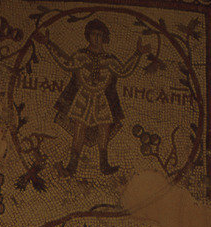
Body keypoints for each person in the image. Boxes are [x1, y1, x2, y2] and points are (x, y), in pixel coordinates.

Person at [33, 19, 149, 176]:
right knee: (79, 128)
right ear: (88, 36)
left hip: (102, 99)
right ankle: (71, 167)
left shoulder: (109, 59)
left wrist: (138, 53)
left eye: (100, 35)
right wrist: (48, 43)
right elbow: (66, 63)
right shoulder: (82, 56)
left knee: (104, 127)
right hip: (83, 97)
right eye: (94, 34)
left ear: (104, 37)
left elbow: (123, 71)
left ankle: (104, 164)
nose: (97, 38)